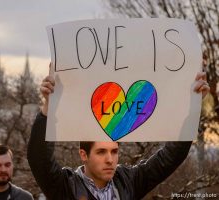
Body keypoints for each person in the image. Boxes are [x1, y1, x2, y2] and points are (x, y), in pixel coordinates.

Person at [27, 69, 210, 200]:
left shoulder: (129, 181)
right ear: (83, 155)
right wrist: (48, 108)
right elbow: (38, 158)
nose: (110, 159)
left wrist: (192, 107)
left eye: (114, 151)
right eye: (101, 152)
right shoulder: (64, 187)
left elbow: (170, 157)